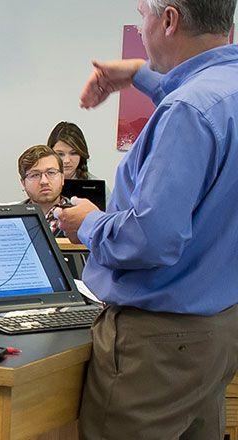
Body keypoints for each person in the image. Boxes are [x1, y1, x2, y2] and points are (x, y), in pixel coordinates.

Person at [60, 0, 238, 438]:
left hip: (157, 346)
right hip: (216, 330)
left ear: (170, 19)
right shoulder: (225, 90)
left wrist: (87, 221)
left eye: (143, 15)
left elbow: (152, 240)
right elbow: (204, 112)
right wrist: (140, 74)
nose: (141, 28)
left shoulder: (188, 111)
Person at [15, 145, 66, 232]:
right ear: (23, 183)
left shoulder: (79, 216)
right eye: (35, 175)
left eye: (51, 173)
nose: (44, 181)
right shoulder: (13, 217)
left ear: (62, 178)